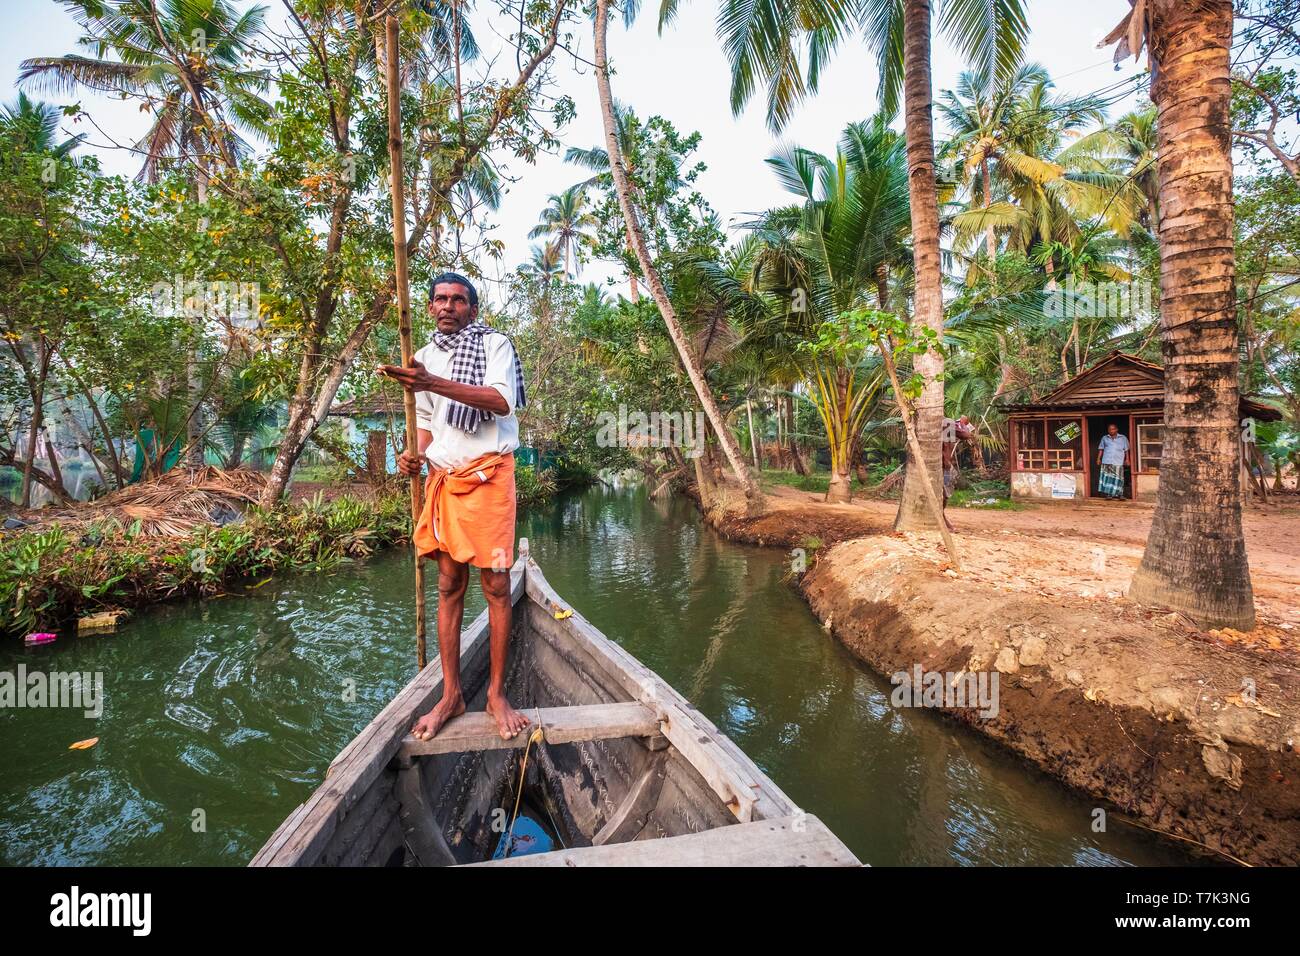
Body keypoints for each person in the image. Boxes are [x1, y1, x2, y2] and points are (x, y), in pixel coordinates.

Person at [379, 273, 531, 742]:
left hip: (489, 477)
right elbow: (427, 424)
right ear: (429, 308)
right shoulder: (421, 358)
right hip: (444, 480)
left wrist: (433, 382)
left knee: (497, 584)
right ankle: (451, 695)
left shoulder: (494, 345)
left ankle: (495, 695)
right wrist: (413, 454)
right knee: (449, 584)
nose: (448, 306)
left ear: (472, 308)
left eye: (458, 300)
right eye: (440, 299)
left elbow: (502, 402)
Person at [941, 415, 975, 530]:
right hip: (943, 466)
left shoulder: (945, 424)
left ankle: (942, 516)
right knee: (945, 494)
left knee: (944, 493)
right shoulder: (948, 423)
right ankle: (942, 517)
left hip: (943, 465)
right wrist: (963, 423)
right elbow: (966, 435)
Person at [1096, 423, 1130, 500]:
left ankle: (1119, 494)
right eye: (1110, 429)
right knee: (1108, 478)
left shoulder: (1123, 438)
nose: (1111, 431)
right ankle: (1109, 494)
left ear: (1116, 429)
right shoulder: (1105, 438)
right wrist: (1098, 459)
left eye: (1113, 429)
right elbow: (1101, 449)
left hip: (1118, 461)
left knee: (1119, 478)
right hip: (1106, 461)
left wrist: (1127, 459)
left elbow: (1126, 450)